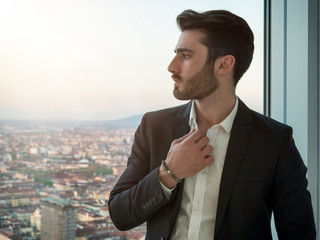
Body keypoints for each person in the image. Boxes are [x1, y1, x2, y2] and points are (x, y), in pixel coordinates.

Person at [108, 9, 316, 240]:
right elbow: (120, 214)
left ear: (224, 65)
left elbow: (299, 233)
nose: (171, 66)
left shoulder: (275, 140)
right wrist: (168, 173)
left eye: (185, 56)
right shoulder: (153, 126)